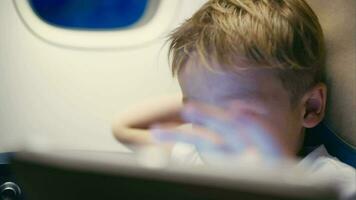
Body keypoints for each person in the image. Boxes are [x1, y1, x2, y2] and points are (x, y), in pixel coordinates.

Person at [112, 0, 355, 198]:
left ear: (310, 108)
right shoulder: (199, 156)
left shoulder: (333, 185)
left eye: (239, 113)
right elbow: (125, 127)